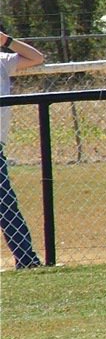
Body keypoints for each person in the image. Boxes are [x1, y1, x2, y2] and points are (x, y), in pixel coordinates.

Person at [0, 29, 45, 270]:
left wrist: (6, 41)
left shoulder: (2, 61)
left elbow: (37, 58)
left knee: (6, 205)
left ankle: (26, 259)